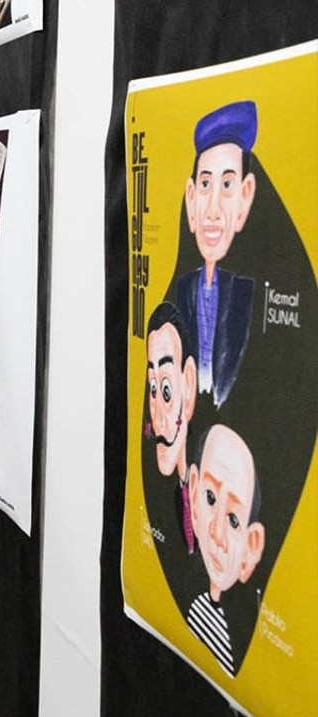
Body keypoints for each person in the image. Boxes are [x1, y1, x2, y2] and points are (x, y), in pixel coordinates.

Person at [175, 101, 257, 409]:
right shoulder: (181, 291)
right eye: (206, 184)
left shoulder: (251, 296)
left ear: (245, 196)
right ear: (191, 198)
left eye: (226, 185)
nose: (212, 210)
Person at [185, 424, 264, 677]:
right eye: (210, 498)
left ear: (251, 547)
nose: (217, 534)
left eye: (233, 520)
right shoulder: (196, 606)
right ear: (194, 493)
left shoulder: (239, 639)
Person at [145, 301, 199, 554]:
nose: (156, 416)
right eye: (152, 389)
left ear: (188, 385)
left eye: (166, 390)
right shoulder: (175, 498)